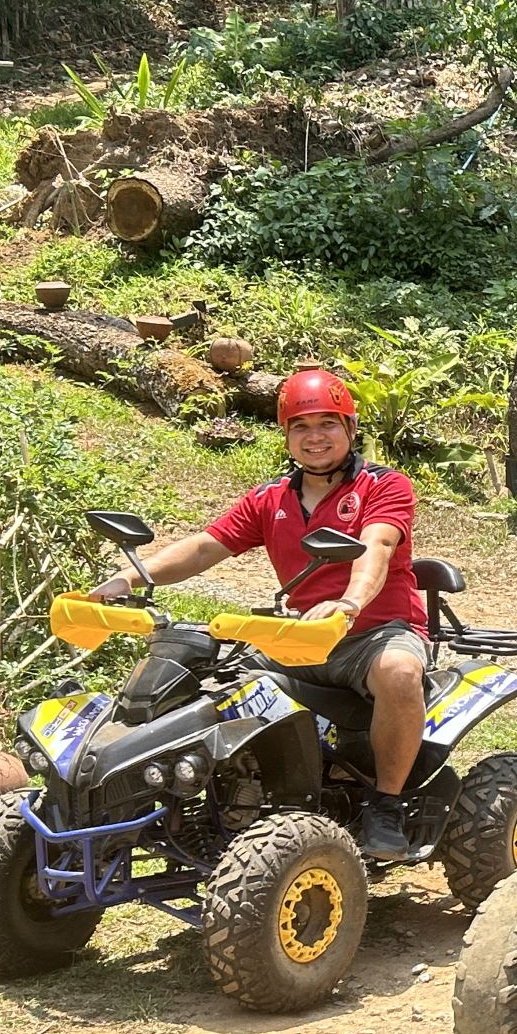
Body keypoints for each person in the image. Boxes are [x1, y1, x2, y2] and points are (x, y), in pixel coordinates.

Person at [89, 367, 430, 858]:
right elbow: (207, 547)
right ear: (286, 435)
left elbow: (375, 547)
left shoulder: (385, 486)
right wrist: (129, 577)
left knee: (400, 673)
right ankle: (196, 796)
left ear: (350, 429)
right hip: (300, 637)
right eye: (301, 426)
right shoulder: (271, 498)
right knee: (213, 680)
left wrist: (350, 602)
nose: (315, 437)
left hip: (376, 632)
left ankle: (387, 804)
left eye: (327, 424)